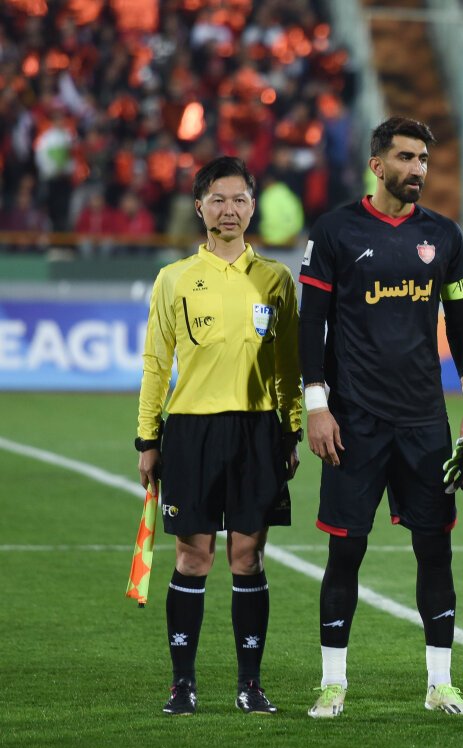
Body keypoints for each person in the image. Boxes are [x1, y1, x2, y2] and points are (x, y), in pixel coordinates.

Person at [299, 117, 463, 718]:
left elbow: (461, 324)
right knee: (345, 552)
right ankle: (333, 682)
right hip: (354, 420)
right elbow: (311, 323)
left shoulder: (443, 236)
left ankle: (440, 683)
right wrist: (317, 406)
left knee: (435, 550)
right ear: (377, 165)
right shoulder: (335, 231)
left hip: (424, 421)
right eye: (406, 157)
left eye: (423, 159)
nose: (417, 169)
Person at [136, 155, 302, 716]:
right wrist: (147, 440)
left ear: (253, 208)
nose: (229, 210)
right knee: (193, 558)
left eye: (239, 200)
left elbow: (288, 366)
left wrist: (291, 429)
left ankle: (250, 685)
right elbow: (156, 363)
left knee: (248, 557)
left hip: (258, 430)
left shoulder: (276, 279)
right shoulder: (175, 278)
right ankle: (182, 684)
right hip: (191, 431)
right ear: (200, 206)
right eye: (218, 200)